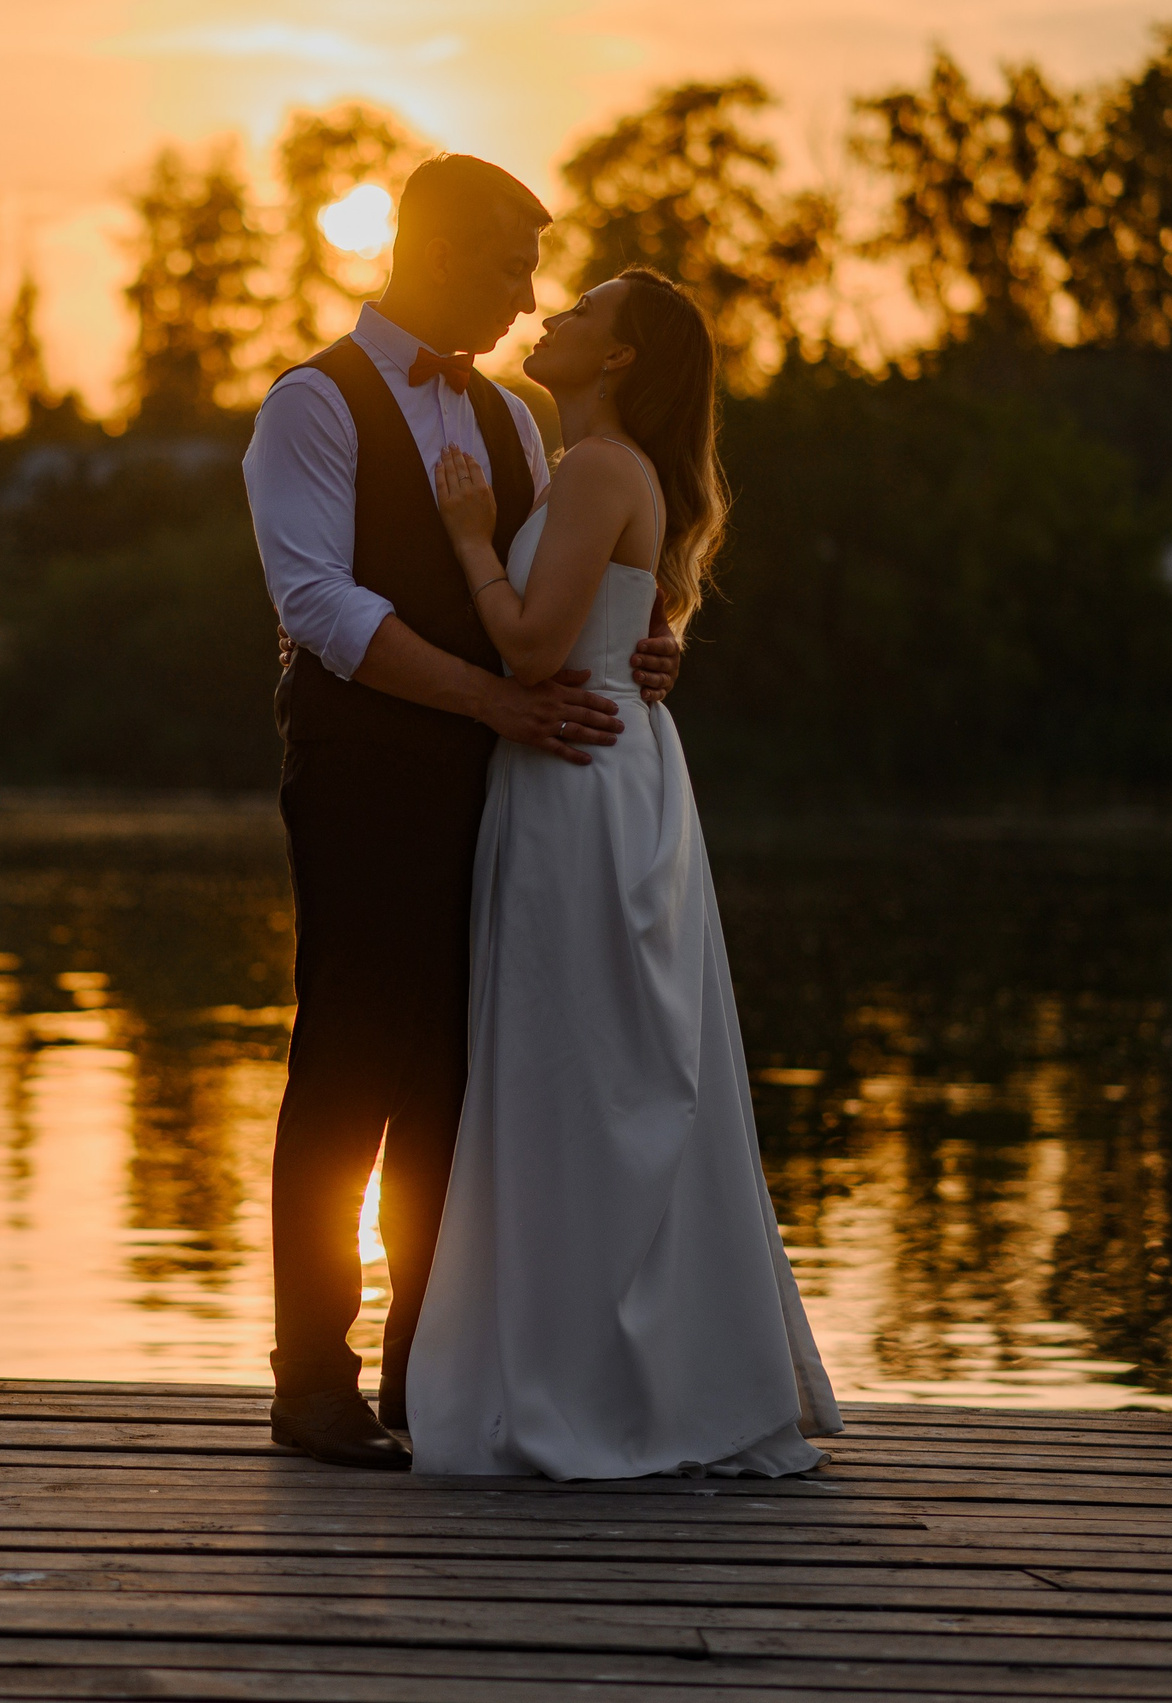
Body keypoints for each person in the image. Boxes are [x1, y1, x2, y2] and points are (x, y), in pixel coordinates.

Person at [240, 156, 683, 1470]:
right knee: (349, 1069)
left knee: (454, 1076)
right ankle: (309, 1377)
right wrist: (494, 705)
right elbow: (318, 609)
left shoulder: (507, 421)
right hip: (365, 776)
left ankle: (420, 1374)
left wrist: (643, 650)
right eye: (508, 266)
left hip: (504, 794)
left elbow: (557, 595)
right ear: (427, 251)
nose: (527, 295)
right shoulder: (310, 406)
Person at [407, 268, 840, 1480]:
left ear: (621, 360)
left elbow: (536, 644)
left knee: (577, 1070)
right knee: (602, 1068)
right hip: (598, 771)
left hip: (574, 785)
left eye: (582, 311)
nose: (551, 317)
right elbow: (627, 613)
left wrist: (463, 539)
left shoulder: (597, 471)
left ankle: (590, 1376)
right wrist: (655, 639)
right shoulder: (592, 472)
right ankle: (620, 1357)